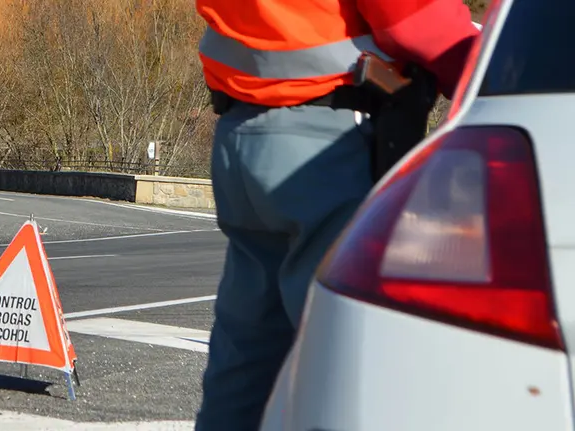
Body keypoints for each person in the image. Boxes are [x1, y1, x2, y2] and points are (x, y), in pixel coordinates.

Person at [193, 1, 480, 430]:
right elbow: (415, 21)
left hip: (241, 133)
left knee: (246, 358)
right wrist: (499, 67)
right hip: (326, 144)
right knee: (343, 359)